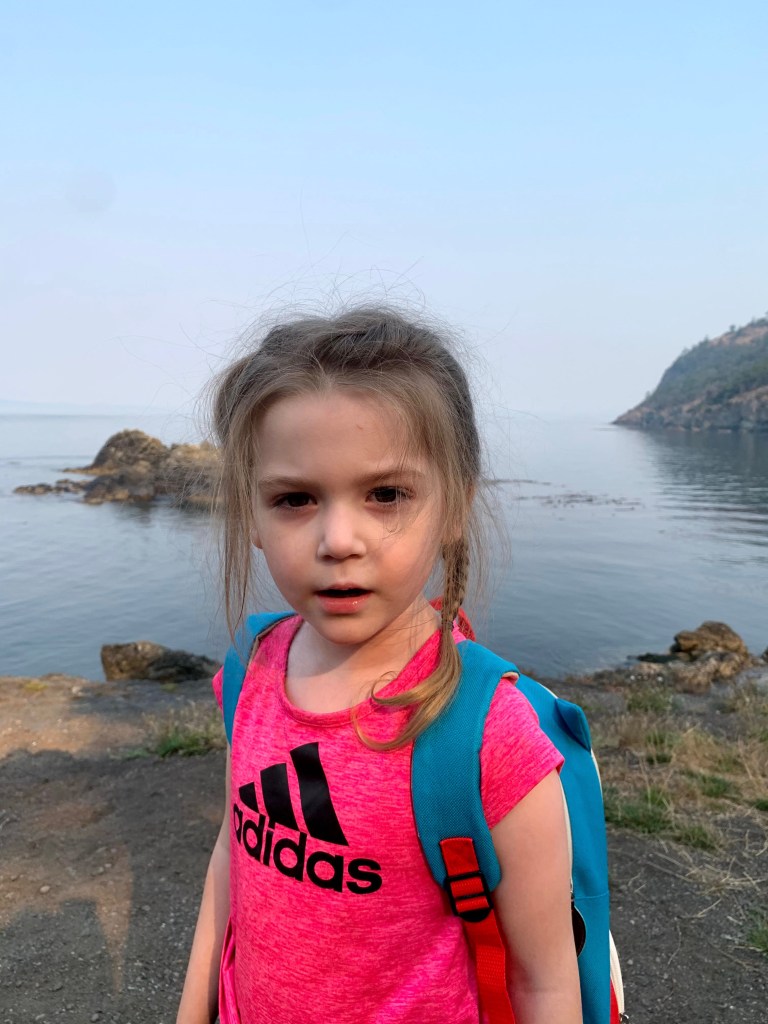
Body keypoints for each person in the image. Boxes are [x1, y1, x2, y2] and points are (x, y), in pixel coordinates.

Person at [176, 306, 582, 1024]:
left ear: (454, 505)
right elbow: (233, 856)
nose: (339, 539)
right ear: (252, 515)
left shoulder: (489, 736)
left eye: (386, 494)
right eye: (295, 499)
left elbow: (544, 983)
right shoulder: (251, 671)